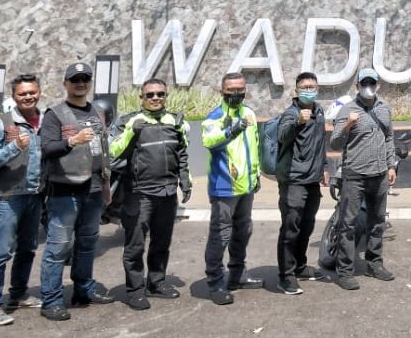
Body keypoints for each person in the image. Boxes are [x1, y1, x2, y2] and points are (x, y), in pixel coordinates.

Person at [39, 62, 115, 321]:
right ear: (65, 83)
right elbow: (47, 148)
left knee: (87, 244)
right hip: (65, 190)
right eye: (75, 79)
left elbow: (102, 150)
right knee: (58, 247)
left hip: (93, 189)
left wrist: (106, 185)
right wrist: (72, 140)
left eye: (85, 79)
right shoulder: (55, 114)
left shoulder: (95, 111)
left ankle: (83, 289)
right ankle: (51, 300)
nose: (80, 83)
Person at [108, 77, 192, 310]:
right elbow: (112, 152)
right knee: (134, 246)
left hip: (167, 193)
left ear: (166, 96)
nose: (155, 98)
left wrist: (185, 181)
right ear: (142, 98)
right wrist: (129, 133)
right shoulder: (128, 121)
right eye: (150, 95)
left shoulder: (175, 121)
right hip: (138, 193)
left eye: (160, 94)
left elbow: (182, 153)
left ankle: (156, 282)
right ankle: (135, 290)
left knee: (161, 242)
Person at [0, 73, 45, 326]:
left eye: (32, 92)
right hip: (7, 197)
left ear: (39, 92)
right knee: (1, 252)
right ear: (14, 96)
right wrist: (14, 146)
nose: (28, 97)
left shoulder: (44, 121)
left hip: (34, 195)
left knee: (27, 249)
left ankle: (18, 293)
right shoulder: (2, 124)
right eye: (22, 93)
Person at [330, 68, 397, 290]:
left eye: (372, 82)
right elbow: (335, 142)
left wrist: (391, 165)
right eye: (364, 83)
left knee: (377, 222)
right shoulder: (348, 109)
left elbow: (389, 138)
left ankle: (374, 263)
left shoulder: (384, 107)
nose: (368, 86)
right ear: (357, 86)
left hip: (379, 175)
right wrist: (348, 124)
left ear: (378, 85)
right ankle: (345, 271)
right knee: (347, 224)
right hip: (355, 174)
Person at [201, 71, 262, 305]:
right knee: (220, 236)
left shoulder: (249, 114)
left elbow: (253, 147)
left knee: (243, 232)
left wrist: (255, 175)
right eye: (231, 90)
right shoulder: (214, 117)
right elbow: (208, 141)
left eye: (240, 90)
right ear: (222, 92)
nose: (236, 94)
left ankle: (237, 275)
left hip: (246, 187)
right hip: (224, 188)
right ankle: (216, 282)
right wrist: (230, 130)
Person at [276, 71, 329, 295]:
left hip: (313, 180)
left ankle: (299, 266)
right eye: (305, 86)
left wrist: (325, 167)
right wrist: (297, 122)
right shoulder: (291, 113)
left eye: (313, 86)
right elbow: (282, 136)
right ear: (296, 91)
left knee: (306, 227)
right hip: (293, 181)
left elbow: (321, 143)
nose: (310, 90)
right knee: (291, 228)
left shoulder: (319, 111)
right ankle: (286, 276)